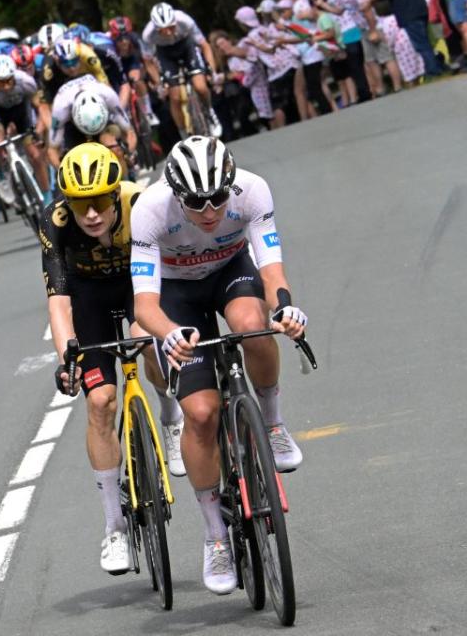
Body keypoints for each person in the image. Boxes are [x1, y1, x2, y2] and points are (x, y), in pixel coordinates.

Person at [130, 135, 307, 594]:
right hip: (175, 294)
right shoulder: (150, 211)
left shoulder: (253, 190)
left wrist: (285, 308)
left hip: (232, 272)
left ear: (231, 185)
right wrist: (168, 333)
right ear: (175, 193)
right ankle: (215, 537)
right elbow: (145, 304)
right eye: (196, 201)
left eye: (218, 198)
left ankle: (271, 423)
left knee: (254, 323)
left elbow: (271, 270)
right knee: (203, 413)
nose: (209, 210)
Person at [43, 143, 185, 574]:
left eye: (100, 201)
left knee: (149, 344)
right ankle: (114, 529)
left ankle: (170, 413)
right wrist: (67, 357)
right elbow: (59, 301)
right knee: (101, 401)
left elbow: (165, 270)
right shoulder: (56, 223)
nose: (91, 214)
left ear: (114, 193)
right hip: (88, 297)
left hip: (135, 283)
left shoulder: (138, 203)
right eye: (81, 203)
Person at [0, 54, 52, 206]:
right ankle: (0, 174)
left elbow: (41, 109)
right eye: (1, 82)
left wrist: (38, 130)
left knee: (36, 156)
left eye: (9, 80)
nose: (6, 86)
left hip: (21, 112)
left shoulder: (25, 81)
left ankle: (48, 198)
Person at [141, 2, 223, 138]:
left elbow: (205, 46)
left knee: (201, 87)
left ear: (175, 22)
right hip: (165, 54)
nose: (167, 32)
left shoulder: (185, 21)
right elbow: (148, 62)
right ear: (156, 28)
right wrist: (159, 83)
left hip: (186, 47)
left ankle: (210, 113)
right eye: (162, 30)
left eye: (171, 28)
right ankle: (183, 133)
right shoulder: (148, 35)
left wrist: (211, 71)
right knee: (175, 97)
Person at [46, 75, 136, 173]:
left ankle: (125, 180)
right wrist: (63, 173)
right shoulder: (61, 108)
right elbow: (52, 150)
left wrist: (129, 153)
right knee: (77, 165)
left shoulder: (107, 94)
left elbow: (129, 132)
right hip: (73, 128)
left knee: (114, 148)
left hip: (104, 123)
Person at [108, 15, 161, 127]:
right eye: (119, 39)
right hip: (116, 65)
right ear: (113, 38)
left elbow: (148, 63)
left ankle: (148, 112)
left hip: (132, 61)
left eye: (126, 37)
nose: (124, 42)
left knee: (137, 79)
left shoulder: (137, 40)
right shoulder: (107, 44)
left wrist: (158, 83)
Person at [376, 0, 443, 75]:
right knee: (425, 42)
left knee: (421, 45)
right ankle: (436, 65)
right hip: (420, 9)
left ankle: (433, 69)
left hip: (409, 13)